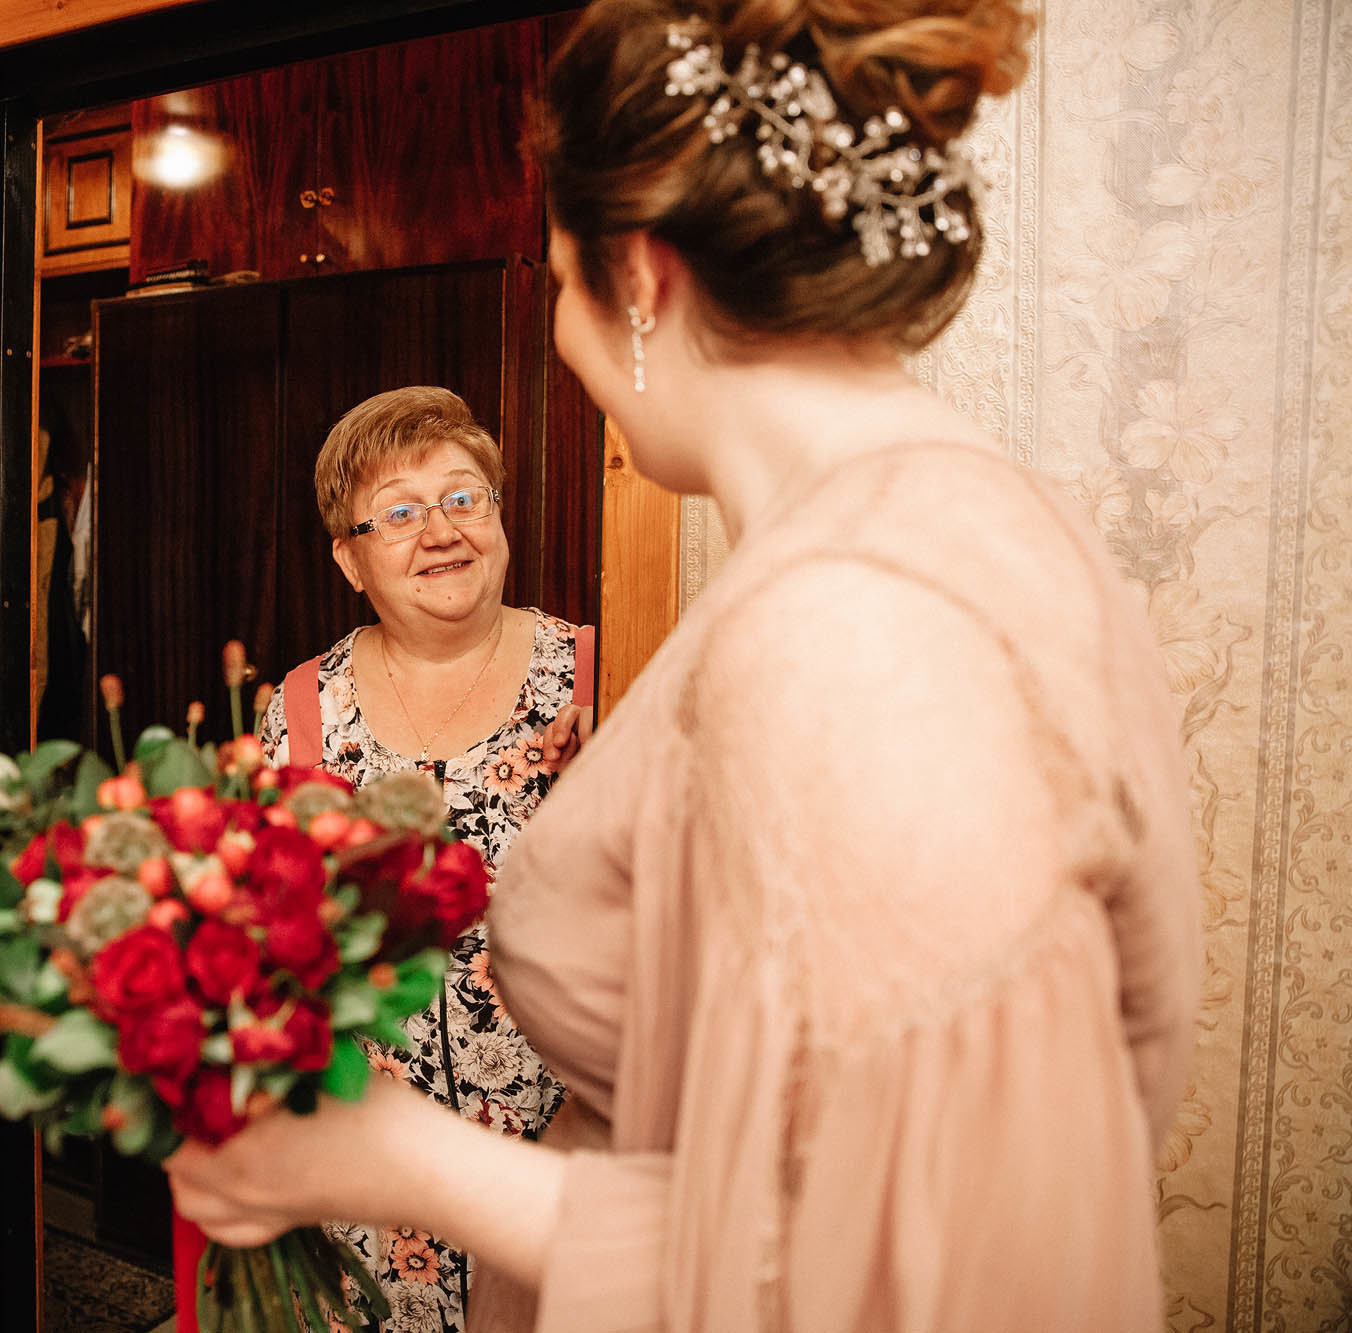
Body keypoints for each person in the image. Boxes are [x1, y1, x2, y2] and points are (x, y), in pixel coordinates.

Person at [169, 2, 1201, 1330]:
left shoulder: (866, 628)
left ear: (643, 280)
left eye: (560, 281)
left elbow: (947, 1281)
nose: (563, 332)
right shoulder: (924, 535)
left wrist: (401, 1161)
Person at [250, 384, 595, 1332]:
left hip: (554, 1166)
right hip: (365, 1182)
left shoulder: (597, 674)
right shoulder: (303, 709)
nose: (440, 531)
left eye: (462, 497)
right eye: (399, 513)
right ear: (350, 559)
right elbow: (270, 949)